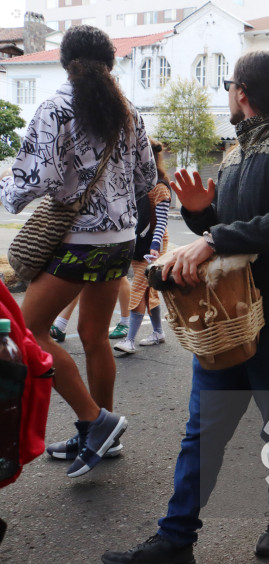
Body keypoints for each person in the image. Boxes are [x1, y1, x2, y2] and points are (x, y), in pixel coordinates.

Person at [101, 50, 269, 564]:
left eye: (229, 87)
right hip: (222, 316)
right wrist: (205, 214)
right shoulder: (232, 155)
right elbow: (228, 230)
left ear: (242, 91)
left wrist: (213, 236)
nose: (228, 95)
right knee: (203, 431)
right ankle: (176, 541)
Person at [0, 25, 155, 477]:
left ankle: (94, 420)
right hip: (120, 240)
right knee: (92, 335)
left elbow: (37, 180)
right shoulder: (131, 114)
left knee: (31, 331)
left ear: (68, 63)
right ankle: (100, 435)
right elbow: (147, 178)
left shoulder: (55, 108)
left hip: (79, 241)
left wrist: (7, 189)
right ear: (110, 65)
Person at [113, 138, 171, 354]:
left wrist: (155, 247)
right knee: (148, 289)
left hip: (154, 244)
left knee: (138, 286)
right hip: (138, 243)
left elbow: (162, 222)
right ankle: (158, 332)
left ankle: (129, 340)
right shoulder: (135, 185)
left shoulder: (160, 187)